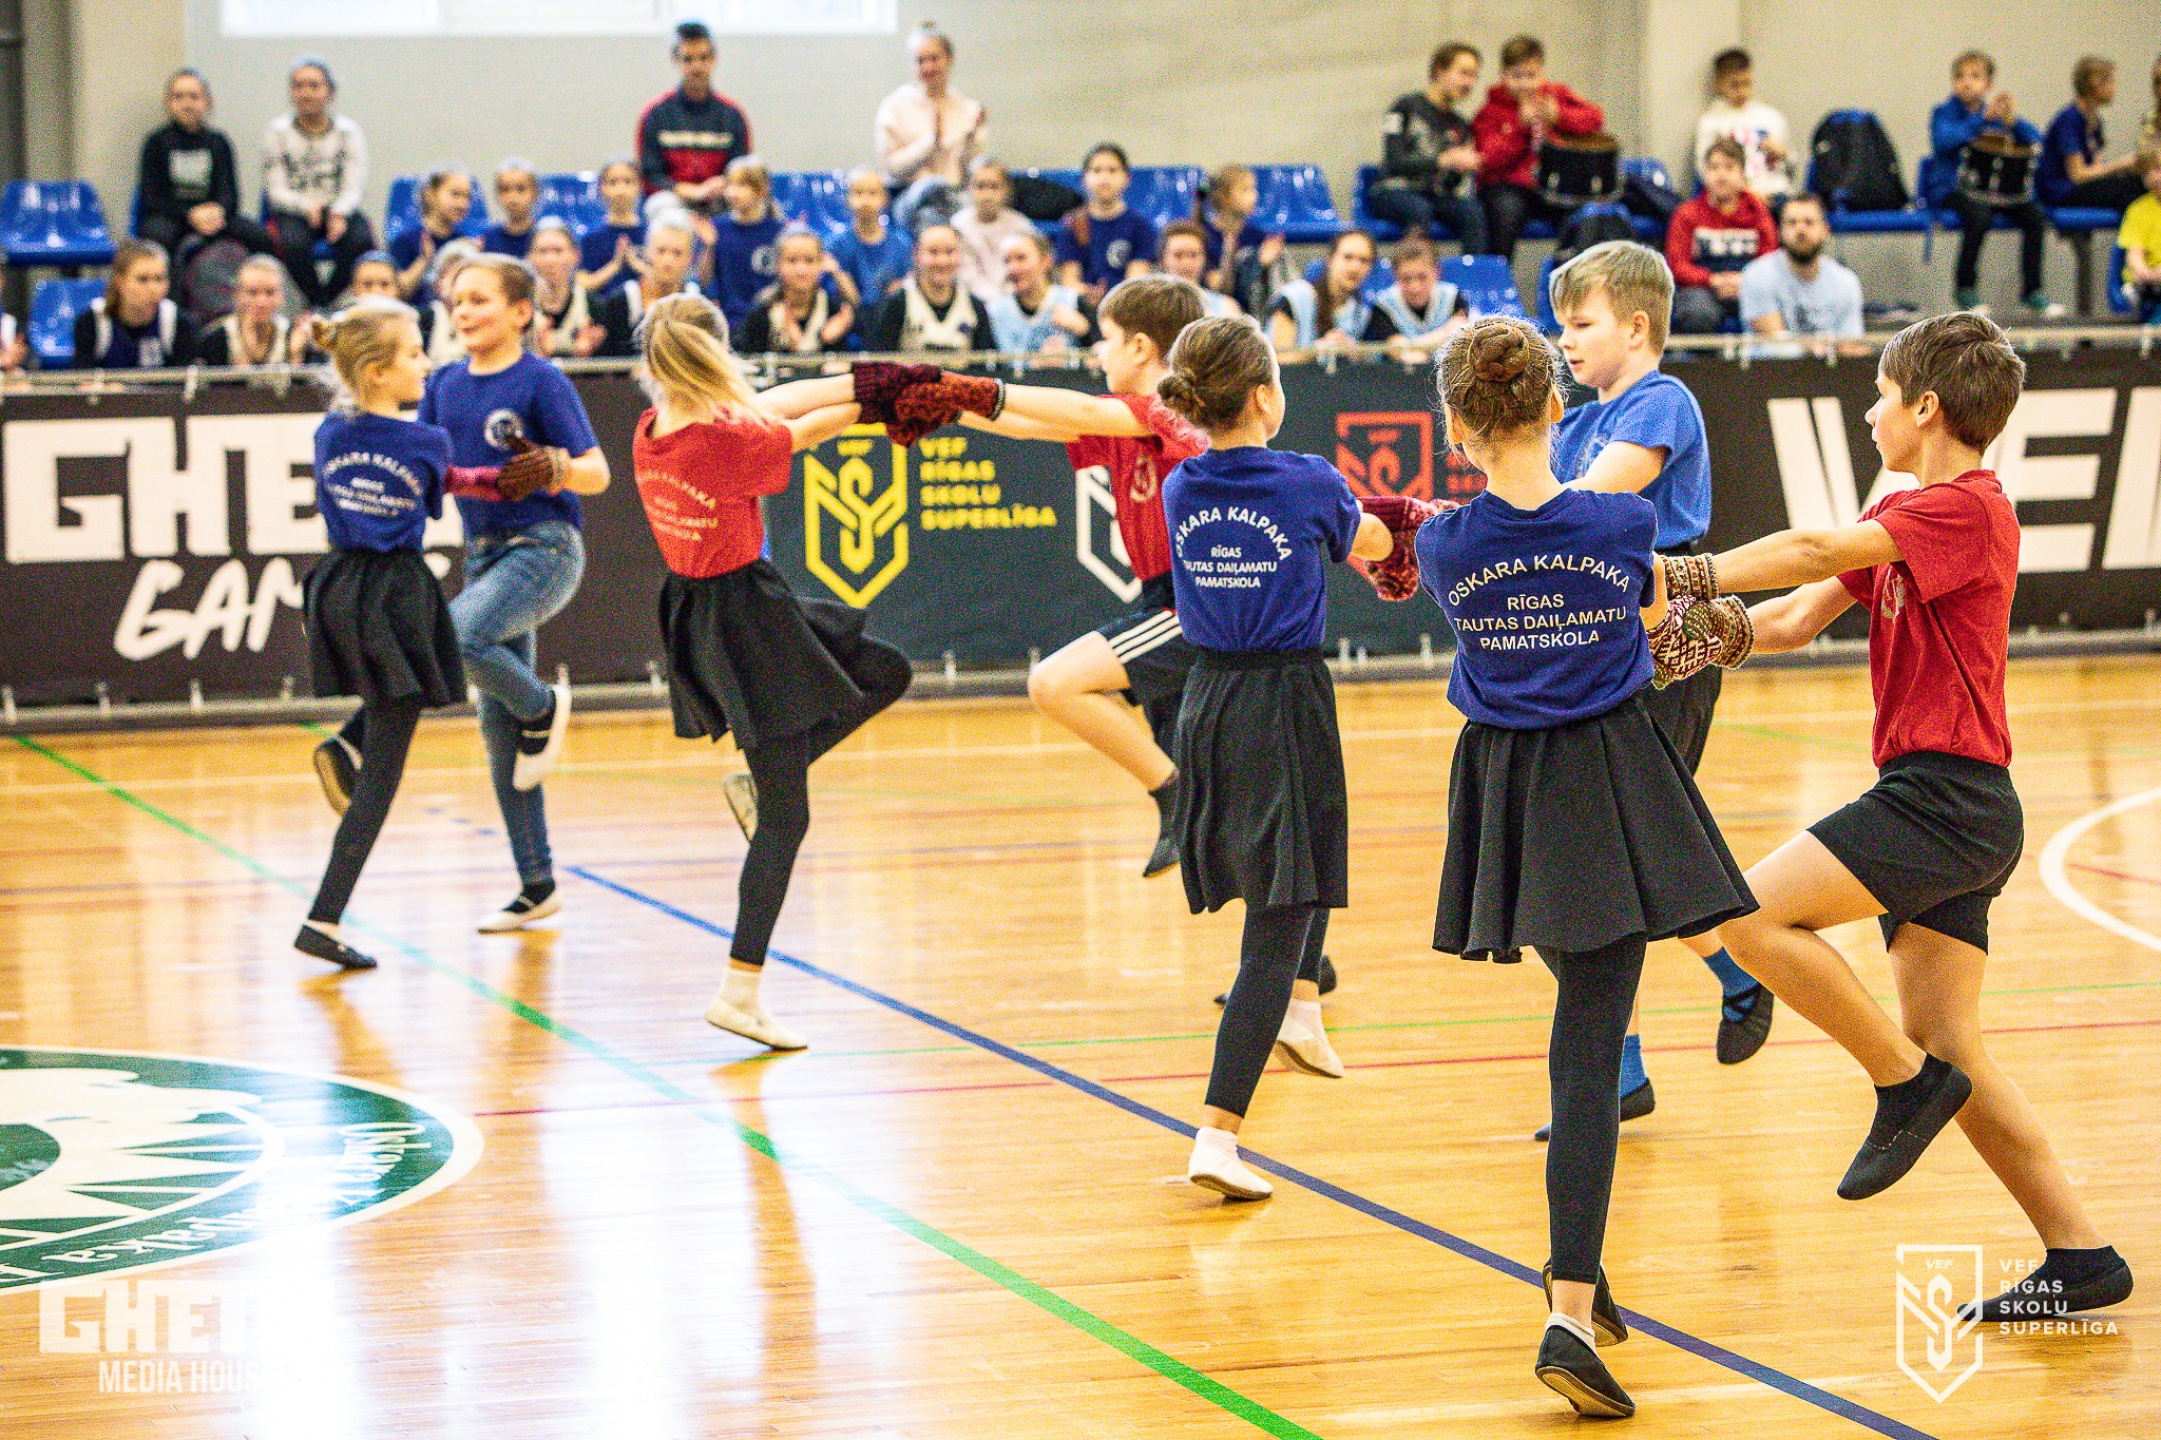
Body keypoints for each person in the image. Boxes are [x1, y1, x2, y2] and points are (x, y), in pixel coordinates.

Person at [1693, 312, 2133, 1323]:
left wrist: (1679, 573)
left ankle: (1899, 1084)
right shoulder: (1904, 520)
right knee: (1953, 1045)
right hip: (1953, 805)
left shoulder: (1964, 508)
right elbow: (1790, 621)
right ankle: (2080, 1254)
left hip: (1943, 799)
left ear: (1925, 407)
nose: (1867, 413)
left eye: (1880, 395)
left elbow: (1808, 549)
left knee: (1745, 915)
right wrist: (1657, 640)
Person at [1414, 316, 1753, 1418]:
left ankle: (1582, 1272)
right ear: (1557, 409)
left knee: (1583, 1020)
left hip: (1505, 792)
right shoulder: (1621, 522)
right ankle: (1566, 1307)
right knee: (1587, 1052)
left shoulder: (1445, 546)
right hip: (1605, 783)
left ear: (1456, 427)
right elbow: (1647, 617)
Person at [1142, 314, 1395, 1204]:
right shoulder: (1307, 480)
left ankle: (1301, 1007)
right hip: (1283, 699)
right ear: (1261, 396)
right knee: (1279, 916)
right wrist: (1409, 523)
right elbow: (1366, 542)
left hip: (1207, 701)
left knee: (1305, 864)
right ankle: (1217, 1134)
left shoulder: (1181, 485)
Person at [629, 294, 911, 1048]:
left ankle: (758, 784)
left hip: (712, 608)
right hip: (746, 615)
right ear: (716, 354)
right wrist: (876, 404)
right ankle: (739, 991)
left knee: (884, 670)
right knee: (787, 821)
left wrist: (869, 379)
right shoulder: (725, 442)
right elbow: (801, 427)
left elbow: (773, 404)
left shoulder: (652, 430)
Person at [1541, 240, 1773, 1142]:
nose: (1565, 341)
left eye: (1580, 323)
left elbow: (1583, 507)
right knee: (1603, 862)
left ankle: (1671, 1028)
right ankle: (1716, 992)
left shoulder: (1661, 400)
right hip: (1596, 630)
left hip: (1661, 629)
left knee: (1620, 856)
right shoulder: (1576, 419)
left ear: (1636, 327)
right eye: (1560, 326)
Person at [314, 255, 610, 934]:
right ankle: (537, 883)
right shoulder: (443, 382)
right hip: (483, 558)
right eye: (456, 300)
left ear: (521, 313)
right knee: (500, 732)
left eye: (479, 299)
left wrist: (559, 467)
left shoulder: (542, 380)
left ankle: (545, 707)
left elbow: (598, 474)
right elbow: (417, 450)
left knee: (455, 637)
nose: (463, 310)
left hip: (543, 549)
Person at [956, 276, 1207, 875]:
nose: (1096, 351)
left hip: (1195, 602)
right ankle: (1193, 808)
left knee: (1054, 684)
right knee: (1216, 802)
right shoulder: (1121, 419)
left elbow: (1085, 410)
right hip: (1161, 596)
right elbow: (1026, 425)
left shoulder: (1172, 409)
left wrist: (965, 386)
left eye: (1106, 338)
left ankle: (1173, 795)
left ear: (1141, 348)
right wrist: (937, 407)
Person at [296, 297, 486, 970]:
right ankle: (322, 917)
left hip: (337, 583)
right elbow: (434, 501)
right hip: (396, 590)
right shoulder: (426, 442)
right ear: (376, 371)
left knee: (393, 701)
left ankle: (346, 743)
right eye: (413, 353)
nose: (426, 363)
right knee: (384, 769)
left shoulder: (329, 431)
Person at [1928, 50, 2060, 317]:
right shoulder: (1943, 113)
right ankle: (1965, 287)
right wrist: (1982, 120)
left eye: (1975, 76)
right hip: (1952, 190)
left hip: (1997, 192)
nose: (1966, 82)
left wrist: (2012, 121)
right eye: (1960, 77)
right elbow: (1943, 141)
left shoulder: (1996, 115)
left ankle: (2032, 290)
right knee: (1979, 215)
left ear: (1988, 84)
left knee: (2035, 216)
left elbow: (2036, 141)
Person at [1473, 35, 1606, 261]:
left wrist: (1559, 116)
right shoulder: (1490, 110)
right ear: (1503, 75)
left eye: (1531, 75)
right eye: (1517, 76)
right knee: (1505, 213)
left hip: (1551, 186)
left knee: (1585, 216)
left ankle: (1573, 272)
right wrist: (1520, 127)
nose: (1525, 83)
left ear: (1542, 72)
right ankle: (1499, 273)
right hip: (1508, 187)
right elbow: (1489, 158)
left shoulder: (1555, 96)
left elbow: (1595, 117)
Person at [135, 69, 274, 275]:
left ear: (208, 101)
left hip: (214, 216)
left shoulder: (219, 142)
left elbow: (230, 194)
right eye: (178, 97)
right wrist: (189, 214)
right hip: (172, 217)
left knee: (259, 236)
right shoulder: (156, 143)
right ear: (168, 103)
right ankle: (173, 293)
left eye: (194, 97)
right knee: (156, 235)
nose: (187, 104)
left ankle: (252, 289)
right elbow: (152, 197)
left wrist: (218, 211)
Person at [260, 56, 374, 309]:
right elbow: (275, 190)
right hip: (295, 210)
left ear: (330, 92)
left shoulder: (349, 132)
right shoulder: (277, 131)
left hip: (338, 208)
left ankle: (328, 301)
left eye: (314, 86)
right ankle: (314, 303)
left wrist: (339, 212)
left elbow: (355, 186)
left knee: (361, 239)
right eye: (299, 86)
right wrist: (305, 206)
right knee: (292, 244)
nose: (306, 93)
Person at [1369, 41, 1487, 252]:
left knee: (1472, 213)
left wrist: (1459, 169)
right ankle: (1414, 270)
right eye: (1464, 73)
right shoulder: (1404, 107)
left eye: (1474, 76)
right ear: (1440, 70)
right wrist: (1443, 160)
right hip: (1393, 190)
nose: (1469, 82)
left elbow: (1449, 185)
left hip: (1432, 194)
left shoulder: (1460, 124)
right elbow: (1393, 162)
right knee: (1419, 210)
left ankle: (1473, 272)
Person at [874, 22, 989, 235]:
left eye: (934, 59)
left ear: (949, 60)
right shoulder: (894, 106)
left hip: (954, 196)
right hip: (909, 197)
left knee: (972, 207)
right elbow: (891, 169)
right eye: (920, 61)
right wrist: (930, 142)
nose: (928, 67)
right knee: (931, 197)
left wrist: (972, 138)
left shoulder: (968, 109)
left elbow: (971, 173)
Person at [636, 20, 753, 214]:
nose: (697, 67)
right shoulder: (655, 113)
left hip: (722, 200)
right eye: (688, 59)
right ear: (675, 60)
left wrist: (721, 184)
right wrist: (691, 191)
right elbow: (650, 175)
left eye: (704, 58)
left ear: (714, 59)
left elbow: (743, 170)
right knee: (659, 205)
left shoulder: (732, 114)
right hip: (673, 202)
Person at [1666, 137, 1777, 334]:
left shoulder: (1759, 212)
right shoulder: (1686, 214)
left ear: (1742, 174)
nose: (1721, 175)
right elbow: (1677, 265)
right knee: (1697, 313)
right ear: (1704, 174)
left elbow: (1770, 260)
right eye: (1714, 167)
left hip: (1748, 285)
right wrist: (1713, 279)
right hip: (1702, 287)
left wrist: (1745, 281)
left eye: (1729, 167)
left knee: (1775, 306)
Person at [1739, 193, 1865, 349]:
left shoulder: (1846, 282)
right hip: (1772, 364)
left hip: (1830, 364)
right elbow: (1777, 342)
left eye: (1809, 222)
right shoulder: (1757, 275)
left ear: (1825, 230)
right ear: (1779, 232)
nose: (1800, 230)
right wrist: (1820, 350)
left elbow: (1850, 348)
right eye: (1792, 223)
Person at [2039, 57, 2150, 213]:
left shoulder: (2094, 121)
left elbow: (2097, 168)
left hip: (2080, 187)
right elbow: (2077, 175)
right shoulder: (2069, 120)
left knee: (2140, 181)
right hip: (2061, 191)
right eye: (2111, 82)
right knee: (2127, 189)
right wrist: (2120, 165)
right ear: (2095, 84)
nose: (2114, 88)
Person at [867, 224, 995, 352]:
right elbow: (879, 359)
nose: (942, 261)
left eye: (950, 252)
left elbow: (986, 360)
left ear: (960, 256)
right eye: (933, 252)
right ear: (917, 256)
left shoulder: (975, 306)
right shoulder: (896, 304)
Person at [1056, 144, 1158, 305]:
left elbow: (1136, 280)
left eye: (1112, 170)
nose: (1104, 178)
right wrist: (1086, 293)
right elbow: (1069, 280)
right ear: (1084, 178)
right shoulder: (1072, 224)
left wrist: (1110, 300)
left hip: (1124, 305)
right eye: (1097, 170)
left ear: (1127, 178)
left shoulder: (1141, 227)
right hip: (1083, 306)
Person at [71, 240, 196, 369]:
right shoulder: (92, 322)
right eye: (142, 279)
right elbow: (83, 377)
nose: (153, 289)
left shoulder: (178, 322)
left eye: (160, 279)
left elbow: (185, 378)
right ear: (119, 281)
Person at [1692, 48, 1791, 205]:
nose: (1742, 91)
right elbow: (1705, 170)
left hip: (1775, 193)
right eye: (1734, 85)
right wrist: (1748, 193)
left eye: (1746, 83)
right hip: (1734, 196)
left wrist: (1782, 154)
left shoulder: (1771, 118)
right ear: (1719, 84)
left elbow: (1790, 167)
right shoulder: (1711, 123)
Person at [736, 227, 855, 354]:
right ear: (778, 264)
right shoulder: (762, 313)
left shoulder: (835, 314)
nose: (801, 270)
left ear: (821, 264)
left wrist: (826, 340)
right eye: (792, 260)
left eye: (809, 260)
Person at [595, 213, 700, 358]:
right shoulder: (621, 300)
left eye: (677, 253)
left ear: (690, 258)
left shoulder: (697, 301)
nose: (668, 261)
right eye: (661, 251)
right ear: (648, 252)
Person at [829, 168, 915, 344]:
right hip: (849, 333)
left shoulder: (902, 244)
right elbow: (841, 301)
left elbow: (902, 297)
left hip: (891, 331)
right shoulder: (835, 246)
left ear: (885, 198)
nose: (865, 200)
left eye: (873, 193)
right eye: (858, 193)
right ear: (847, 198)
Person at [707, 157, 787, 333]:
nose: (732, 192)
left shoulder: (780, 232)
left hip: (769, 322)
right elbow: (705, 280)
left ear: (762, 190)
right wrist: (709, 247)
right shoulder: (717, 229)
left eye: (742, 185)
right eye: (729, 184)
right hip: (728, 323)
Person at [1267, 229, 1379, 351]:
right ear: (1330, 259)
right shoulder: (1295, 297)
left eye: (1364, 260)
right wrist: (1318, 350)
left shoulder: (1361, 312)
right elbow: (1279, 357)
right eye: (1348, 257)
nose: (1355, 268)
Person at [1197, 164, 1285, 315]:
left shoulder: (1256, 235)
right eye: (1245, 190)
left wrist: (1269, 264)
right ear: (1224, 198)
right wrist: (1257, 262)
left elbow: (1266, 289)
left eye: (1254, 189)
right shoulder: (1206, 236)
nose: (1254, 196)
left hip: (1253, 313)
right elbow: (1219, 289)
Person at [987, 231, 1096, 351]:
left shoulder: (1073, 301)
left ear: (1045, 261)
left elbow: (1098, 350)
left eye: (1021, 258)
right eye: (1007, 261)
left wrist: (1084, 330)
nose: (1012, 268)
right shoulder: (996, 311)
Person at [198, 254, 305, 367]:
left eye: (270, 293)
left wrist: (296, 356)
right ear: (238, 295)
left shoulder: (292, 335)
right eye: (252, 293)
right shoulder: (215, 339)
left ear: (281, 297)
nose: (262, 302)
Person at [388, 167, 474, 305]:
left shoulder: (464, 243)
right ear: (429, 194)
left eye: (467, 197)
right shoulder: (405, 241)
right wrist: (424, 261)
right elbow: (396, 293)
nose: (462, 203)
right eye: (455, 194)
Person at [950, 160, 1034, 300]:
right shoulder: (958, 226)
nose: (987, 195)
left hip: (1015, 299)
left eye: (994, 187)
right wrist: (994, 301)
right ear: (968, 188)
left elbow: (1026, 270)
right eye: (980, 186)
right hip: (971, 299)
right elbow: (966, 274)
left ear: (1007, 190)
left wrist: (1006, 302)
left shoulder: (1021, 226)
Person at [1370, 237, 1468, 356]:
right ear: (1395, 275)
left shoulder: (1453, 297)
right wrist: (1445, 332)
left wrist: (1410, 346)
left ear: (1436, 271)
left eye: (1422, 277)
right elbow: (1399, 351)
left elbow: (1462, 341)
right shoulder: (1383, 306)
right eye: (1406, 279)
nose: (1414, 287)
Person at [528, 219, 604, 359]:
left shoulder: (594, 305)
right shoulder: (519, 305)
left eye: (558, 251)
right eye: (542, 251)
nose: (550, 260)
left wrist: (590, 352)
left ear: (575, 255)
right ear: (530, 257)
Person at [578, 158, 647, 294]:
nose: (620, 190)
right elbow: (583, 283)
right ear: (601, 188)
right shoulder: (591, 238)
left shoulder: (651, 234)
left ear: (639, 186)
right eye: (613, 182)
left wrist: (637, 265)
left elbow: (666, 279)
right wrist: (615, 265)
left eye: (628, 181)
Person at [1157, 221, 1240, 317]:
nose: (1187, 263)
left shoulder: (1226, 307)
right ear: (1162, 260)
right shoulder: (1149, 305)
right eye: (1178, 255)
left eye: (1194, 255)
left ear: (1204, 258)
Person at [2118, 147, 2161, 320]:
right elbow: (2134, 253)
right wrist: (2144, 273)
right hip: (2150, 283)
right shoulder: (2137, 210)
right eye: (2146, 173)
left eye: (2158, 169)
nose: (2154, 177)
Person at [484, 158, 541, 259]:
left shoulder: (544, 236)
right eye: (505, 190)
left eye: (521, 189)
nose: (513, 198)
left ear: (535, 193)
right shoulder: (489, 239)